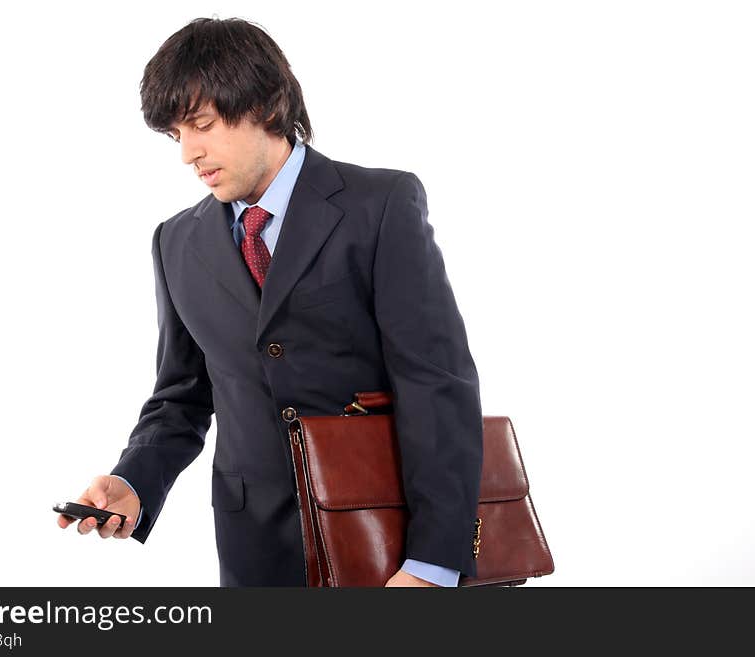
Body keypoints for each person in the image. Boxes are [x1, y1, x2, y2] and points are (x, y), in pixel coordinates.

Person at [57, 17, 484, 587]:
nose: (188, 152)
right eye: (175, 135)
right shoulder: (176, 242)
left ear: (266, 104)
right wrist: (133, 480)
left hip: (386, 535)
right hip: (253, 550)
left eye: (201, 125)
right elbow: (182, 394)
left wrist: (434, 562)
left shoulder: (379, 205)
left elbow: (437, 383)